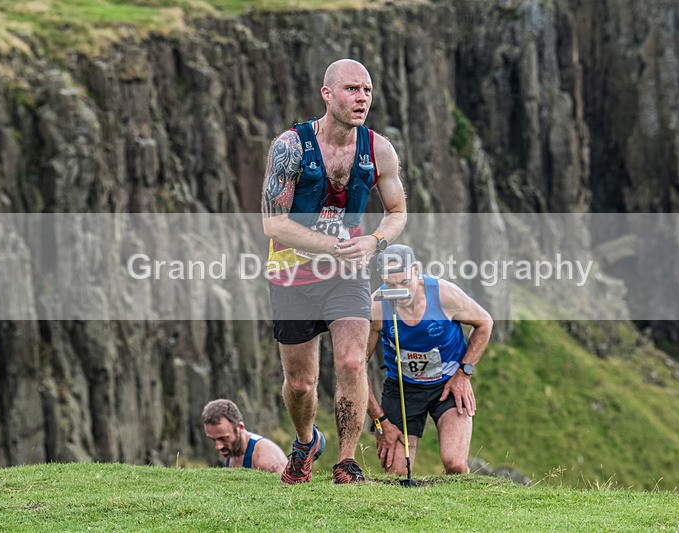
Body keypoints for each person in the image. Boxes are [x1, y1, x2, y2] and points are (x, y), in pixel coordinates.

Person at [261, 58, 407, 484]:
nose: (361, 98)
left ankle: (346, 462)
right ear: (327, 94)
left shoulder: (379, 150)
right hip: (292, 275)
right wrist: (334, 246)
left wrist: (374, 241)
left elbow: (397, 211)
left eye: (367, 90)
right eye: (351, 89)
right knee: (302, 384)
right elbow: (274, 223)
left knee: (350, 361)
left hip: (349, 276)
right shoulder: (290, 146)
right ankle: (306, 442)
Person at [366, 245, 493, 475]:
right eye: (391, 285)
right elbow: (353, 369)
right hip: (402, 389)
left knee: (454, 464)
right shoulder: (376, 306)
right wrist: (380, 420)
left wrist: (464, 374)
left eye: (404, 283)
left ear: (416, 270)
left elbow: (484, 322)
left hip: (448, 385)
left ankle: (453, 507)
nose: (399, 292)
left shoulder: (444, 294)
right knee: (396, 475)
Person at [201, 399, 287, 473]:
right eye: (213, 440)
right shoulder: (231, 449)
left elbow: (286, 490)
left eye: (223, 438)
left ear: (240, 428)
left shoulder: (264, 459)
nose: (218, 446)